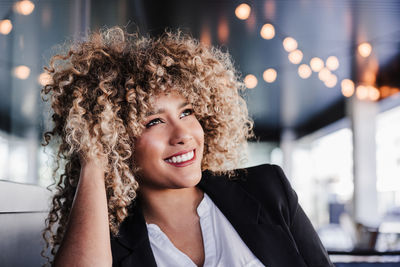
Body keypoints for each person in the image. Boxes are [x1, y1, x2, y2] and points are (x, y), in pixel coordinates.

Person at [41, 26, 333, 267]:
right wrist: (93, 159)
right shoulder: (106, 244)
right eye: (153, 121)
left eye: (186, 112)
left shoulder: (269, 189)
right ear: (114, 139)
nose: (183, 134)